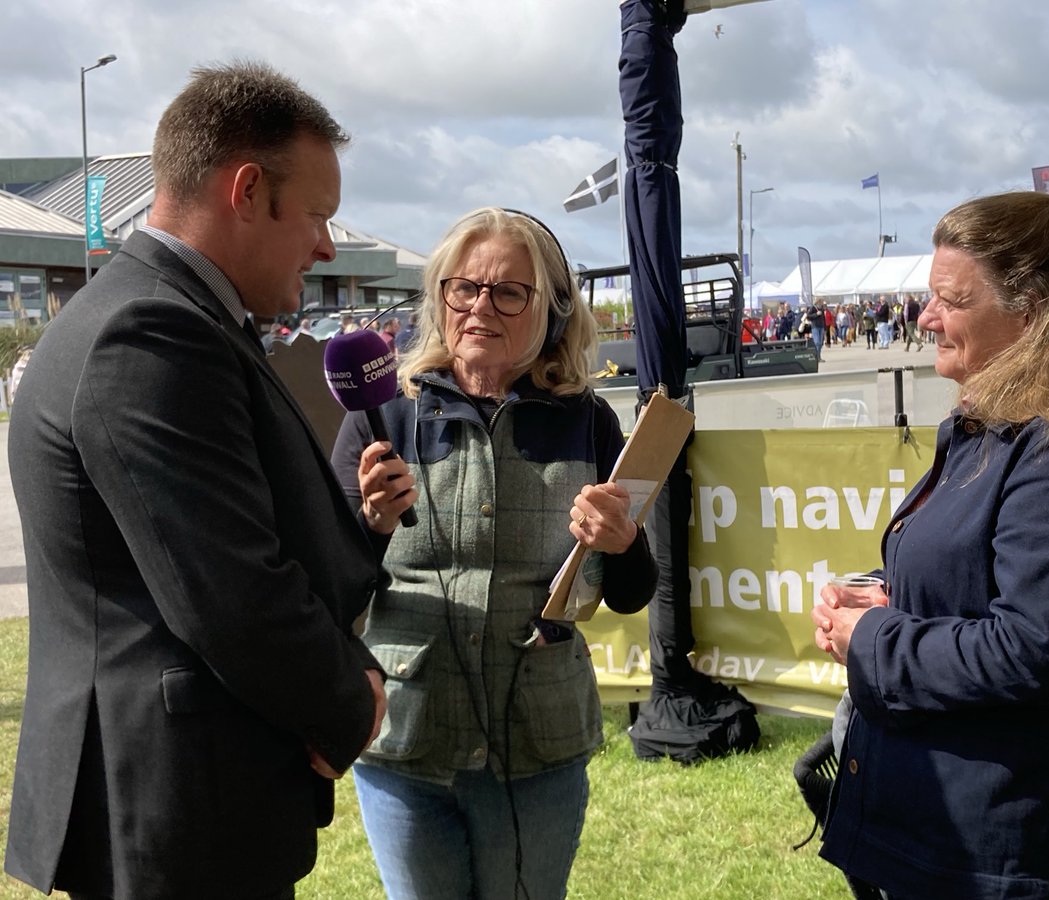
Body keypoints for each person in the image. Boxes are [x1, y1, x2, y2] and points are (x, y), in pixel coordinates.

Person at [4, 62, 389, 900]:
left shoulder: (170, 316)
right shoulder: (151, 332)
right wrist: (349, 700)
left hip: (184, 803)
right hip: (179, 815)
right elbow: (229, 590)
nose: (327, 245)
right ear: (246, 191)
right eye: (317, 214)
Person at [811, 191, 1049, 900]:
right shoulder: (997, 428)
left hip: (1015, 858)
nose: (926, 318)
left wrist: (873, 638)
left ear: (1033, 312)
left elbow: (1031, 649)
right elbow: (978, 584)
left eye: (951, 300)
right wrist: (887, 595)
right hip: (948, 831)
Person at [330, 207, 658, 900]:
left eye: (509, 292)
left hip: (537, 744)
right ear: (440, 296)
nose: (480, 306)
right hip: (407, 741)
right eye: (464, 287)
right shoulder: (381, 417)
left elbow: (632, 592)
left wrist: (623, 542)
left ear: (553, 310)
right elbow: (327, 586)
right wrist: (371, 525)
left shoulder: (589, 422)